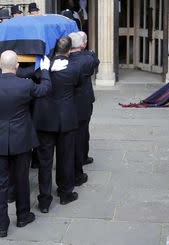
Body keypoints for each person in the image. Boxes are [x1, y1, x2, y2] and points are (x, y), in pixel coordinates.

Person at [0, 50, 51, 237]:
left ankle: (1, 226)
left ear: (0, 65)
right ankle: (23, 215)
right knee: (21, 180)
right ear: (17, 65)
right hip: (21, 139)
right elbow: (44, 90)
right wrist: (44, 71)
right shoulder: (25, 85)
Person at [33, 36, 81, 211]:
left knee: (45, 162)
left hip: (45, 120)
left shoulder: (42, 67)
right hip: (65, 119)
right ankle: (65, 193)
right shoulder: (74, 67)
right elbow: (77, 84)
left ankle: (44, 201)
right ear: (69, 50)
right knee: (65, 158)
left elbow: (36, 79)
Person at [68, 32, 99, 185]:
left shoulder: (61, 60)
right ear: (83, 44)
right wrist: (90, 52)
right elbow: (96, 61)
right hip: (83, 102)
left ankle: (82, 157)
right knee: (82, 132)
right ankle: (79, 164)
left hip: (67, 103)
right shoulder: (88, 58)